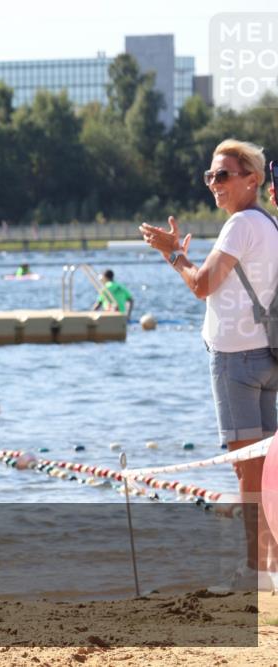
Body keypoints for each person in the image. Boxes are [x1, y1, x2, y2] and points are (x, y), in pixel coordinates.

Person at [140, 139, 278, 592]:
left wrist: (172, 254)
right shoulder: (269, 223)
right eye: (209, 176)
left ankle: (256, 572)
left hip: (236, 361)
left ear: (251, 179)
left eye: (223, 175)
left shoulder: (240, 225)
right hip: (267, 356)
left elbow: (202, 285)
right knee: (264, 469)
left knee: (247, 470)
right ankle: (269, 565)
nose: (213, 183)